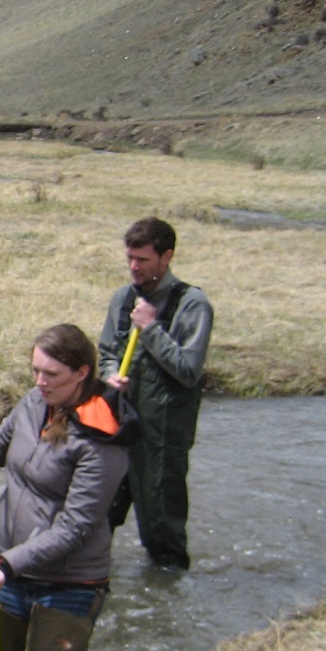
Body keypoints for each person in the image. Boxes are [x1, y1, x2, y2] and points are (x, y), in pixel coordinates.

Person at [0, 324, 138, 651]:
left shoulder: (101, 440)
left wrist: (8, 564)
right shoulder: (33, 403)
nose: (40, 381)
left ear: (82, 373)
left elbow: (75, 526)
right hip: (12, 571)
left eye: (51, 374)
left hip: (69, 582)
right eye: (36, 370)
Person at [97, 217, 213, 570]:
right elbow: (105, 353)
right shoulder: (123, 298)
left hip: (162, 440)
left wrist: (150, 329)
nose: (134, 266)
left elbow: (188, 370)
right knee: (95, 520)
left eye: (143, 259)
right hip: (117, 431)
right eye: (130, 258)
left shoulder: (193, 305)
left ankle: (166, 602)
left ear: (166, 257)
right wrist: (110, 375)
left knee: (162, 535)